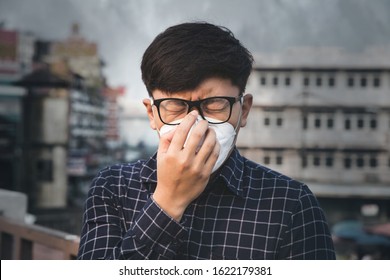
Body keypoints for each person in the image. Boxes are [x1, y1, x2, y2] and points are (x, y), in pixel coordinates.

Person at [77, 22, 336, 260]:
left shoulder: (291, 204)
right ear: (152, 114)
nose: (196, 124)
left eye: (214, 105)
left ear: (243, 110)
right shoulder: (113, 187)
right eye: (175, 106)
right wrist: (168, 201)